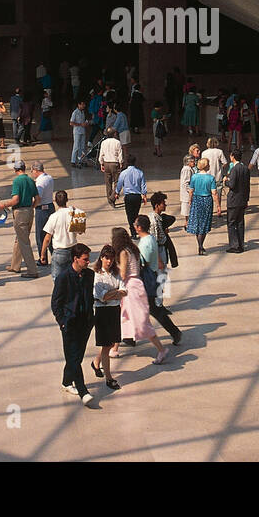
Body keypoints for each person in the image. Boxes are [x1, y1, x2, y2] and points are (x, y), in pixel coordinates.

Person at [111, 227, 168, 364]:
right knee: (124, 316)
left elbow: (123, 273)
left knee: (140, 321)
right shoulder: (133, 249)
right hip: (137, 284)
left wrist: (113, 270)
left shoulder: (124, 252)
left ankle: (161, 349)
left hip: (130, 287)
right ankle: (115, 348)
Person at [51, 243, 96, 407]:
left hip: (85, 322)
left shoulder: (89, 275)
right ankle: (83, 391)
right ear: (75, 259)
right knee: (74, 358)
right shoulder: (64, 277)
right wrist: (62, 322)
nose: (88, 262)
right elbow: (56, 303)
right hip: (70, 323)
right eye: (85, 259)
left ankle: (66, 382)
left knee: (76, 356)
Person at [89, 245, 126, 391]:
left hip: (115, 309)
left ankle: (96, 362)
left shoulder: (116, 273)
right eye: (106, 258)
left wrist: (111, 294)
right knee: (106, 344)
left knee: (111, 343)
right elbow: (101, 297)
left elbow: (124, 291)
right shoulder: (97, 275)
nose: (109, 261)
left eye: (111, 258)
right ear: (101, 258)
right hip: (102, 312)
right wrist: (115, 293)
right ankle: (109, 377)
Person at [0, 161, 40, 279]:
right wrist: (31, 207)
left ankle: (32, 270)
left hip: (20, 212)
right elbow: (37, 199)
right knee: (20, 239)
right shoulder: (30, 181)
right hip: (29, 211)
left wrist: (3, 204)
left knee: (24, 243)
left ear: (15, 170)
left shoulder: (17, 181)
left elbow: (15, 200)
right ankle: (15, 265)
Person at [41, 189, 82, 281]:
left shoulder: (54, 217)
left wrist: (43, 254)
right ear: (67, 200)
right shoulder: (73, 214)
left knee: (58, 280)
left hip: (59, 252)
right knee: (72, 278)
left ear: (55, 201)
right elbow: (79, 231)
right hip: (73, 250)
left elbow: (47, 238)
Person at [186, 156, 216, 254]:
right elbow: (214, 192)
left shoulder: (194, 177)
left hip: (196, 200)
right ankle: (201, 245)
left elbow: (191, 190)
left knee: (197, 223)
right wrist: (218, 205)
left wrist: (190, 200)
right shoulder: (211, 178)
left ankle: (199, 245)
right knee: (204, 223)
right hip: (207, 200)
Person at [224, 149, 250, 252]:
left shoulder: (234, 169)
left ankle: (234, 245)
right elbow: (247, 186)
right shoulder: (245, 168)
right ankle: (241, 244)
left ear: (233, 157)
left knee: (231, 223)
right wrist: (247, 199)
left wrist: (226, 181)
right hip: (242, 199)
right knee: (240, 222)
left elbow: (232, 185)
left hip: (234, 200)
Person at [30, 161, 55, 262]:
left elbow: (38, 198)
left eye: (32, 171)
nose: (32, 173)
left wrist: (32, 206)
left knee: (40, 235)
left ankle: (42, 258)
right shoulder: (49, 178)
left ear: (36, 170)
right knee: (51, 233)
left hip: (42, 210)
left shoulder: (39, 182)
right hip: (50, 206)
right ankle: (54, 254)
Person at [114, 154, 146, 227]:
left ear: (127, 162)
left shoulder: (123, 173)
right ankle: (136, 227)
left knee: (129, 214)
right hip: (137, 197)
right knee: (135, 213)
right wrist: (144, 195)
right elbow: (143, 185)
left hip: (128, 197)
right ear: (135, 162)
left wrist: (117, 192)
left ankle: (133, 230)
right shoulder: (140, 172)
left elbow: (119, 183)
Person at [98, 127, 125, 206]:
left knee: (108, 182)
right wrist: (121, 162)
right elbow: (120, 154)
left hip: (106, 163)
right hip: (115, 163)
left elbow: (101, 154)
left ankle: (110, 198)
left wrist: (101, 163)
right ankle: (112, 198)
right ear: (114, 134)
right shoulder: (117, 142)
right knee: (117, 182)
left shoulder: (103, 142)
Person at [69, 99, 88, 166]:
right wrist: (80, 124)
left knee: (82, 146)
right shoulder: (75, 112)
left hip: (82, 131)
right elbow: (71, 123)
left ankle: (80, 160)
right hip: (77, 131)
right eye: (82, 104)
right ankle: (73, 161)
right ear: (79, 105)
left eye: (84, 104)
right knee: (76, 146)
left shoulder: (83, 112)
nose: (83, 106)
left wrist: (85, 124)